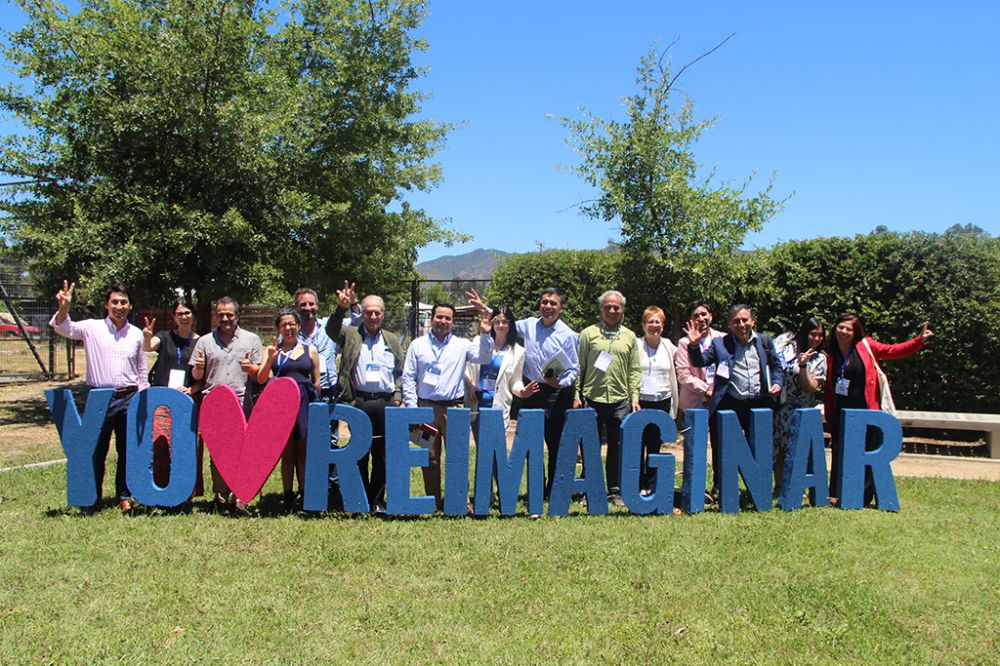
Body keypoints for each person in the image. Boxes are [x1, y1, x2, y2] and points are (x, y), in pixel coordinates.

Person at [467, 286, 579, 499]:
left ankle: (553, 491)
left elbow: (574, 368)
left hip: (556, 392)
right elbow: (503, 322)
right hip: (531, 389)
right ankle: (537, 487)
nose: (547, 306)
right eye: (544, 302)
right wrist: (484, 308)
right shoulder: (528, 325)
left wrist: (560, 382)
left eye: (553, 303)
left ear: (561, 308)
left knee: (554, 442)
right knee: (531, 442)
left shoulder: (568, 335)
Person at [49, 280, 149, 513]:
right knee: (96, 450)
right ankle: (91, 499)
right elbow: (63, 327)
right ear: (106, 305)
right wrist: (64, 307)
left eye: (124, 302)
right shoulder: (91, 328)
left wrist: (141, 399)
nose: (119, 306)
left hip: (129, 397)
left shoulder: (135, 334)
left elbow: (142, 371)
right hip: (99, 397)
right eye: (114, 301)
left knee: (127, 450)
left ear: (130, 306)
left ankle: (124, 496)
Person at [824, 314, 932, 506]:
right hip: (841, 411)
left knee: (867, 452)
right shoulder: (831, 351)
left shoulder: (866, 345)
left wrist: (919, 341)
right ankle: (836, 494)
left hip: (866, 409)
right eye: (841, 327)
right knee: (839, 452)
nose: (844, 332)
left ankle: (863, 497)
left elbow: (892, 351)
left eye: (849, 329)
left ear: (856, 332)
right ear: (835, 328)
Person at [685, 304, 784, 500]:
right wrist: (694, 345)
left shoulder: (763, 341)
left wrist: (777, 384)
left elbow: (776, 366)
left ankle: (756, 489)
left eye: (745, 320)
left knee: (757, 448)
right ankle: (723, 487)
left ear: (752, 321)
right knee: (723, 448)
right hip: (730, 403)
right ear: (730, 324)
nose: (741, 324)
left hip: (758, 403)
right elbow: (699, 362)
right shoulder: (720, 344)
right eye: (736, 321)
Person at [402, 302, 493, 511]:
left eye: (448, 318)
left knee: (457, 456)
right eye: (439, 317)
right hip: (425, 408)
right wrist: (412, 408)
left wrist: (486, 335)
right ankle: (433, 502)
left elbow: (484, 357)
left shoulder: (462, 345)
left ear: (452, 321)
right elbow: (408, 378)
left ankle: (460, 500)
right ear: (432, 318)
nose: (443, 321)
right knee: (429, 458)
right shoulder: (417, 345)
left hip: (455, 409)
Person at [326, 293, 404, 514]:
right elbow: (331, 330)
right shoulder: (351, 334)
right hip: (358, 402)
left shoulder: (392, 339)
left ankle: (377, 500)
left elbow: (399, 370)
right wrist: (341, 308)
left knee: (382, 454)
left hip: (385, 403)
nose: (372, 316)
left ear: (383, 315)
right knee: (359, 452)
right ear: (363, 312)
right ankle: (359, 500)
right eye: (368, 312)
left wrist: (397, 395)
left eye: (377, 312)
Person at [189, 297, 263, 515]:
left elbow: (260, 375)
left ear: (237, 316)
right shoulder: (204, 342)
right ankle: (221, 496)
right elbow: (196, 376)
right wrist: (199, 368)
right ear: (216, 316)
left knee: (243, 451)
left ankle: (241, 497)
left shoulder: (252, 340)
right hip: (214, 402)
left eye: (229, 314)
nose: (225, 318)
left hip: (242, 401)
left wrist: (251, 368)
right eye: (221, 315)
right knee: (218, 453)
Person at [465, 305, 540, 508]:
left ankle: (500, 491)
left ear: (510, 325)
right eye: (496, 321)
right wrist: (470, 384)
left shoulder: (518, 352)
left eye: (504, 322)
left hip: (498, 407)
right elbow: (464, 368)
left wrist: (522, 391)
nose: (500, 325)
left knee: (496, 451)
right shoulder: (477, 342)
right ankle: (486, 493)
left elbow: (514, 381)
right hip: (475, 405)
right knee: (484, 450)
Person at [573, 290, 641, 505]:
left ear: (622, 309)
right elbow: (579, 367)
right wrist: (576, 394)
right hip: (592, 397)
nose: (612, 310)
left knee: (617, 447)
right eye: (608, 307)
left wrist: (635, 397)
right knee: (590, 447)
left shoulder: (630, 336)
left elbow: (634, 370)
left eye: (616, 307)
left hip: (620, 401)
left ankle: (615, 490)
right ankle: (590, 490)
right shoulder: (587, 334)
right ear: (601, 309)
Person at [257, 306, 320, 513]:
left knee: (303, 450)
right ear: (278, 328)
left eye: (292, 324)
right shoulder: (272, 350)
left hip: (304, 403)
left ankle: (303, 494)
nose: (288, 328)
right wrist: (271, 359)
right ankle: (287, 496)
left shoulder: (310, 350)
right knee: (287, 452)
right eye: (284, 325)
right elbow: (261, 377)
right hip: (282, 406)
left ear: (299, 326)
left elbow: (317, 383)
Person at [143, 297, 201, 493]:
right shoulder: (165, 336)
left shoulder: (200, 342)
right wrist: (146, 337)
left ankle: (187, 490)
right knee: (160, 443)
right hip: (163, 401)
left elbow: (205, 374)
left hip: (187, 400)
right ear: (174, 317)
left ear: (193, 315)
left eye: (187, 313)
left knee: (185, 445)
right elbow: (149, 346)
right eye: (179, 314)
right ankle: (162, 485)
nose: (183, 317)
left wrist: (192, 390)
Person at [772, 317, 827, 493]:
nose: (817, 339)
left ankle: (794, 486)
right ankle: (779, 485)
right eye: (813, 334)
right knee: (778, 447)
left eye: (820, 336)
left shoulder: (819, 358)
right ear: (804, 332)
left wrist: (803, 366)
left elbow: (810, 388)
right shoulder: (784, 341)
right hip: (778, 405)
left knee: (795, 448)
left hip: (800, 408)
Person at [636, 306, 679, 495]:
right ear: (644, 325)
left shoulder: (669, 346)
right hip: (640, 402)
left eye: (658, 322)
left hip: (662, 401)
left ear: (663, 325)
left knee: (655, 446)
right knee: (637, 444)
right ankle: (636, 484)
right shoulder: (636, 345)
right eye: (650, 321)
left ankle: (651, 485)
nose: (654, 325)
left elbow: (685, 364)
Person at [674, 300, 725, 414]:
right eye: (696, 316)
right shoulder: (684, 343)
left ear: (710, 316)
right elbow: (683, 375)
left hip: (720, 399)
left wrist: (717, 391)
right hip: (694, 402)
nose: (701, 318)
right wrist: (706, 389)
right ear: (691, 320)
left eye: (704, 314)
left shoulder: (723, 339)